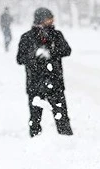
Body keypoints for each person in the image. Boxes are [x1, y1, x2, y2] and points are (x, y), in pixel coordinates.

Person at [17, 8, 73, 137]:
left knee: (62, 117)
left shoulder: (56, 35)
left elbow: (67, 50)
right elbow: (20, 59)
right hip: (35, 84)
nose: (52, 21)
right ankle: (36, 144)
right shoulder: (27, 37)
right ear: (40, 19)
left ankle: (67, 143)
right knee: (35, 119)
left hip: (55, 83)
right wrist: (34, 56)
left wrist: (51, 53)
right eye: (49, 18)